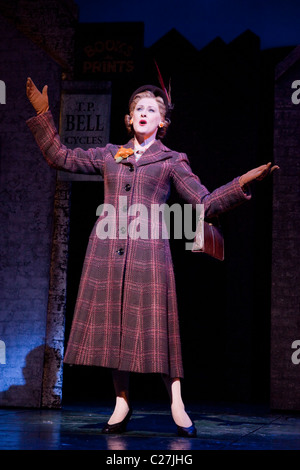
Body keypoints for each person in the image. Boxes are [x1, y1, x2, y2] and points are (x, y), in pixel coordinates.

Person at [26, 77, 278, 438]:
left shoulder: (171, 160)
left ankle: (176, 401)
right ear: (129, 119)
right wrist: (43, 114)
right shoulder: (112, 154)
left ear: (162, 122)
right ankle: (122, 401)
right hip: (107, 251)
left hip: (150, 253)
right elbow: (60, 156)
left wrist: (242, 183)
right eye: (138, 109)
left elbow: (204, 203)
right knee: (115, 328)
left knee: (158, 328)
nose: (143, 113)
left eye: (151, 110)